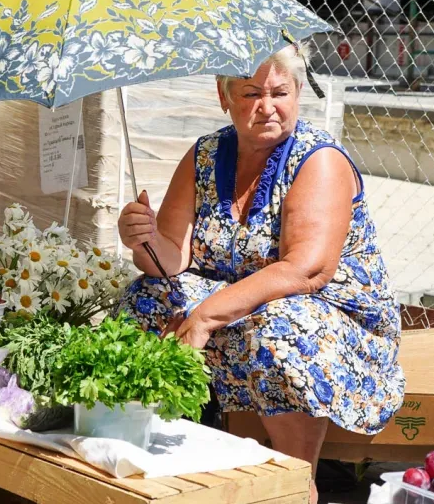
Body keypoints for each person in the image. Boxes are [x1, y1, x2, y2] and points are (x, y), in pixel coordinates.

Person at [117, 44, 405, 503]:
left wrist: (208, 314)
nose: (267, 106)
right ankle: (157, 453)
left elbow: (305, 270)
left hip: (334, 323)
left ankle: (295, 482)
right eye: (251, 93)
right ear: (223, 96)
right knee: (146, 297)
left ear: (297, 95)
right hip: (238, 303)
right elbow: (170, 261)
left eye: (280, 92)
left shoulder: (318, 160)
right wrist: (142, 238)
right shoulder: (206, 154)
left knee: (280, 328)